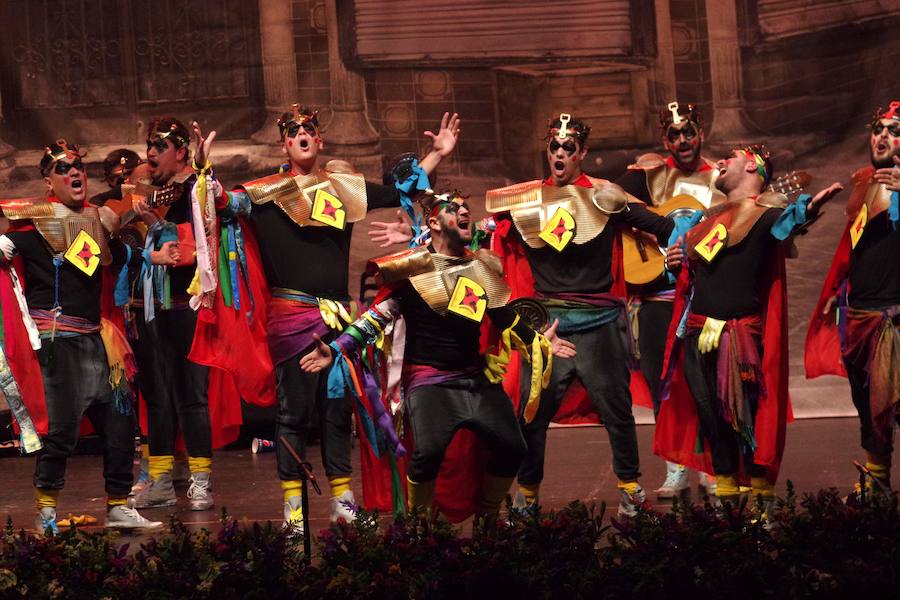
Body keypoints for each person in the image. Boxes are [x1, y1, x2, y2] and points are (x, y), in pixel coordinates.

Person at [191, 105, 460, 529]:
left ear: (320, 141)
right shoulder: (265, 191)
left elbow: (402, 192)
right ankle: (294, 510)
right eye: (292, 130)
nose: (301, 134)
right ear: (283, 143)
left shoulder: (344, 188)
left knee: (337, 412)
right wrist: (204, 170)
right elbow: (223, 203)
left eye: (308, 129)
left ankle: (342, 501)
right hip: (291, 318)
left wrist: (438, 154)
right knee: (294, 414)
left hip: (338, 321)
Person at [300, 190, 573, 520]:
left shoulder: (481, 268)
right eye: (454, 209)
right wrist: (337, 349)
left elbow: (505, 319)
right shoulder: (413, 269)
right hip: (429, 381)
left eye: (466, 208)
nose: (463, 212)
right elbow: (377, 316)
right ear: (434, 223)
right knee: (428, 452)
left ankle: (488, 519)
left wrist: (538, 341)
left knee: (513, 446)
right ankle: (419, 528)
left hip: (474, 377)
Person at [484, 114, 675, 516]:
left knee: (617, 411)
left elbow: (662, 225)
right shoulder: (522, 201)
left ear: (582, 153)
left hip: (599, 322)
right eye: (554, 146)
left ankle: (629, 489)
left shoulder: (605, 195)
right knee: (531, 414)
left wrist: (685, 249)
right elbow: (473, 235)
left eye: (568, 148)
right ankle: (528, 495)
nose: (559, 153)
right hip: (548, 325)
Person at [0, 139, 178, 533]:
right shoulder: (30, 229)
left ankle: (117, 506)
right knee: (62, 432)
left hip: (99, 341)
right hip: (58, 344)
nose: (75, 173)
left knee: (119, 425)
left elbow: (114, 253)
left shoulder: (97, 220)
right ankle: (46, 512)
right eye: (64, 169)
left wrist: (155, 257)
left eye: (78, 166)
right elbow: (5, 251)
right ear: (49, 182)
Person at [657, 145, 842, 515]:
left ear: (754, 167)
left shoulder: (765, 214)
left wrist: (809, 210)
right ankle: (727, 507)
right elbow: (687, 274)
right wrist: (673, 262)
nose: (721, 161)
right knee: (712, 423)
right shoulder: (703, 220)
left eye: (732, 156)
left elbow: (789, 222)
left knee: (749, 422)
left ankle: (762, 509)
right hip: (696, 335)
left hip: (740, 339)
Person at [615, 102, 725, 499]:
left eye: (688, 132)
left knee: (707, 384)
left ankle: (711, 465)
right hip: (658, 295)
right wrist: (656, 237)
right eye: (674, 135)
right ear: (666, 140)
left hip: (702, 295)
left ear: (700, 134)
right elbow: (611, 202)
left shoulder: (720, 176)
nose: (682, 140)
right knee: (663, 383)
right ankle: (676, 466)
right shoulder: (652, 172)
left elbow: (733, 228)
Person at [806, 101, 900, 498]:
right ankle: (876, 485)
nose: (882, 136)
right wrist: (837, 288)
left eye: (894, 130)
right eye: (877, 128)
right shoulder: (865, 180)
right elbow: (853, 245)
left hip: (896, 317)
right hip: (861, 314)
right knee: (869, 407)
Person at [130, 117, 222, 512]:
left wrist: (160, 226)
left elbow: (204, 231)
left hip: (187, 306)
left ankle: (200, 481)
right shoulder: (155, 193)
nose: (150, 153)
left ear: (181, 151)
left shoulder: (193, 188)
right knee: (158, 398)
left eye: (159, 146)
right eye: (149, 145)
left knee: (191, 398)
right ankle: (162, 479)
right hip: (154, 310)